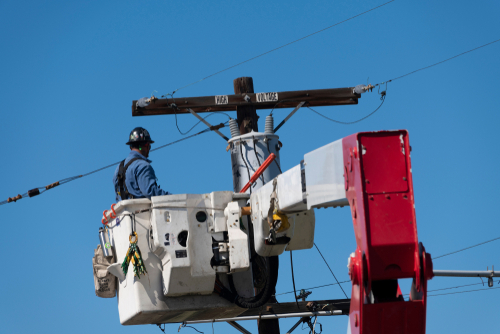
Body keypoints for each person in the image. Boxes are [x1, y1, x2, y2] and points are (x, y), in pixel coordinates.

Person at [113, 127, 169, 201]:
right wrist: (173, 198)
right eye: (149, 146)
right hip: (143, 211)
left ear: (131, 146)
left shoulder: (119, 167)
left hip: (124, 211)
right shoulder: (143, 166)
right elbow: (151, 192)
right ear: (146, 145)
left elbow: (118, 194)